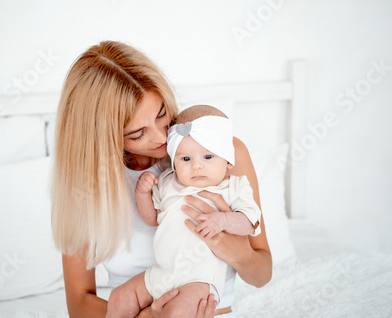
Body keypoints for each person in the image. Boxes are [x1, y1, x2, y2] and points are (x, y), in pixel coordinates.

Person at [51, 41, 272, 318]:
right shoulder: (85, 191)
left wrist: (240, 253)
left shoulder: (219, 152)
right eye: (137, 134)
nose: (161, 138)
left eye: (161, 115)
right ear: (102, 138)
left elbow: (262, 275)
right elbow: (80, 303)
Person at [106, 105, 262, 318]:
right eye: (186, 159)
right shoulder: (169, 182)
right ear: (174, 161)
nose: (196, 166)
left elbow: (251, 222)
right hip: (161, 272)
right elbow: (152, 219)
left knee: (176, 313)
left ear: (227, 160)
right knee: (118, 298)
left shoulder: (233, 186)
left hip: (198, 278)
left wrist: (224, 220)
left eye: (208, 157)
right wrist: (142, 194)